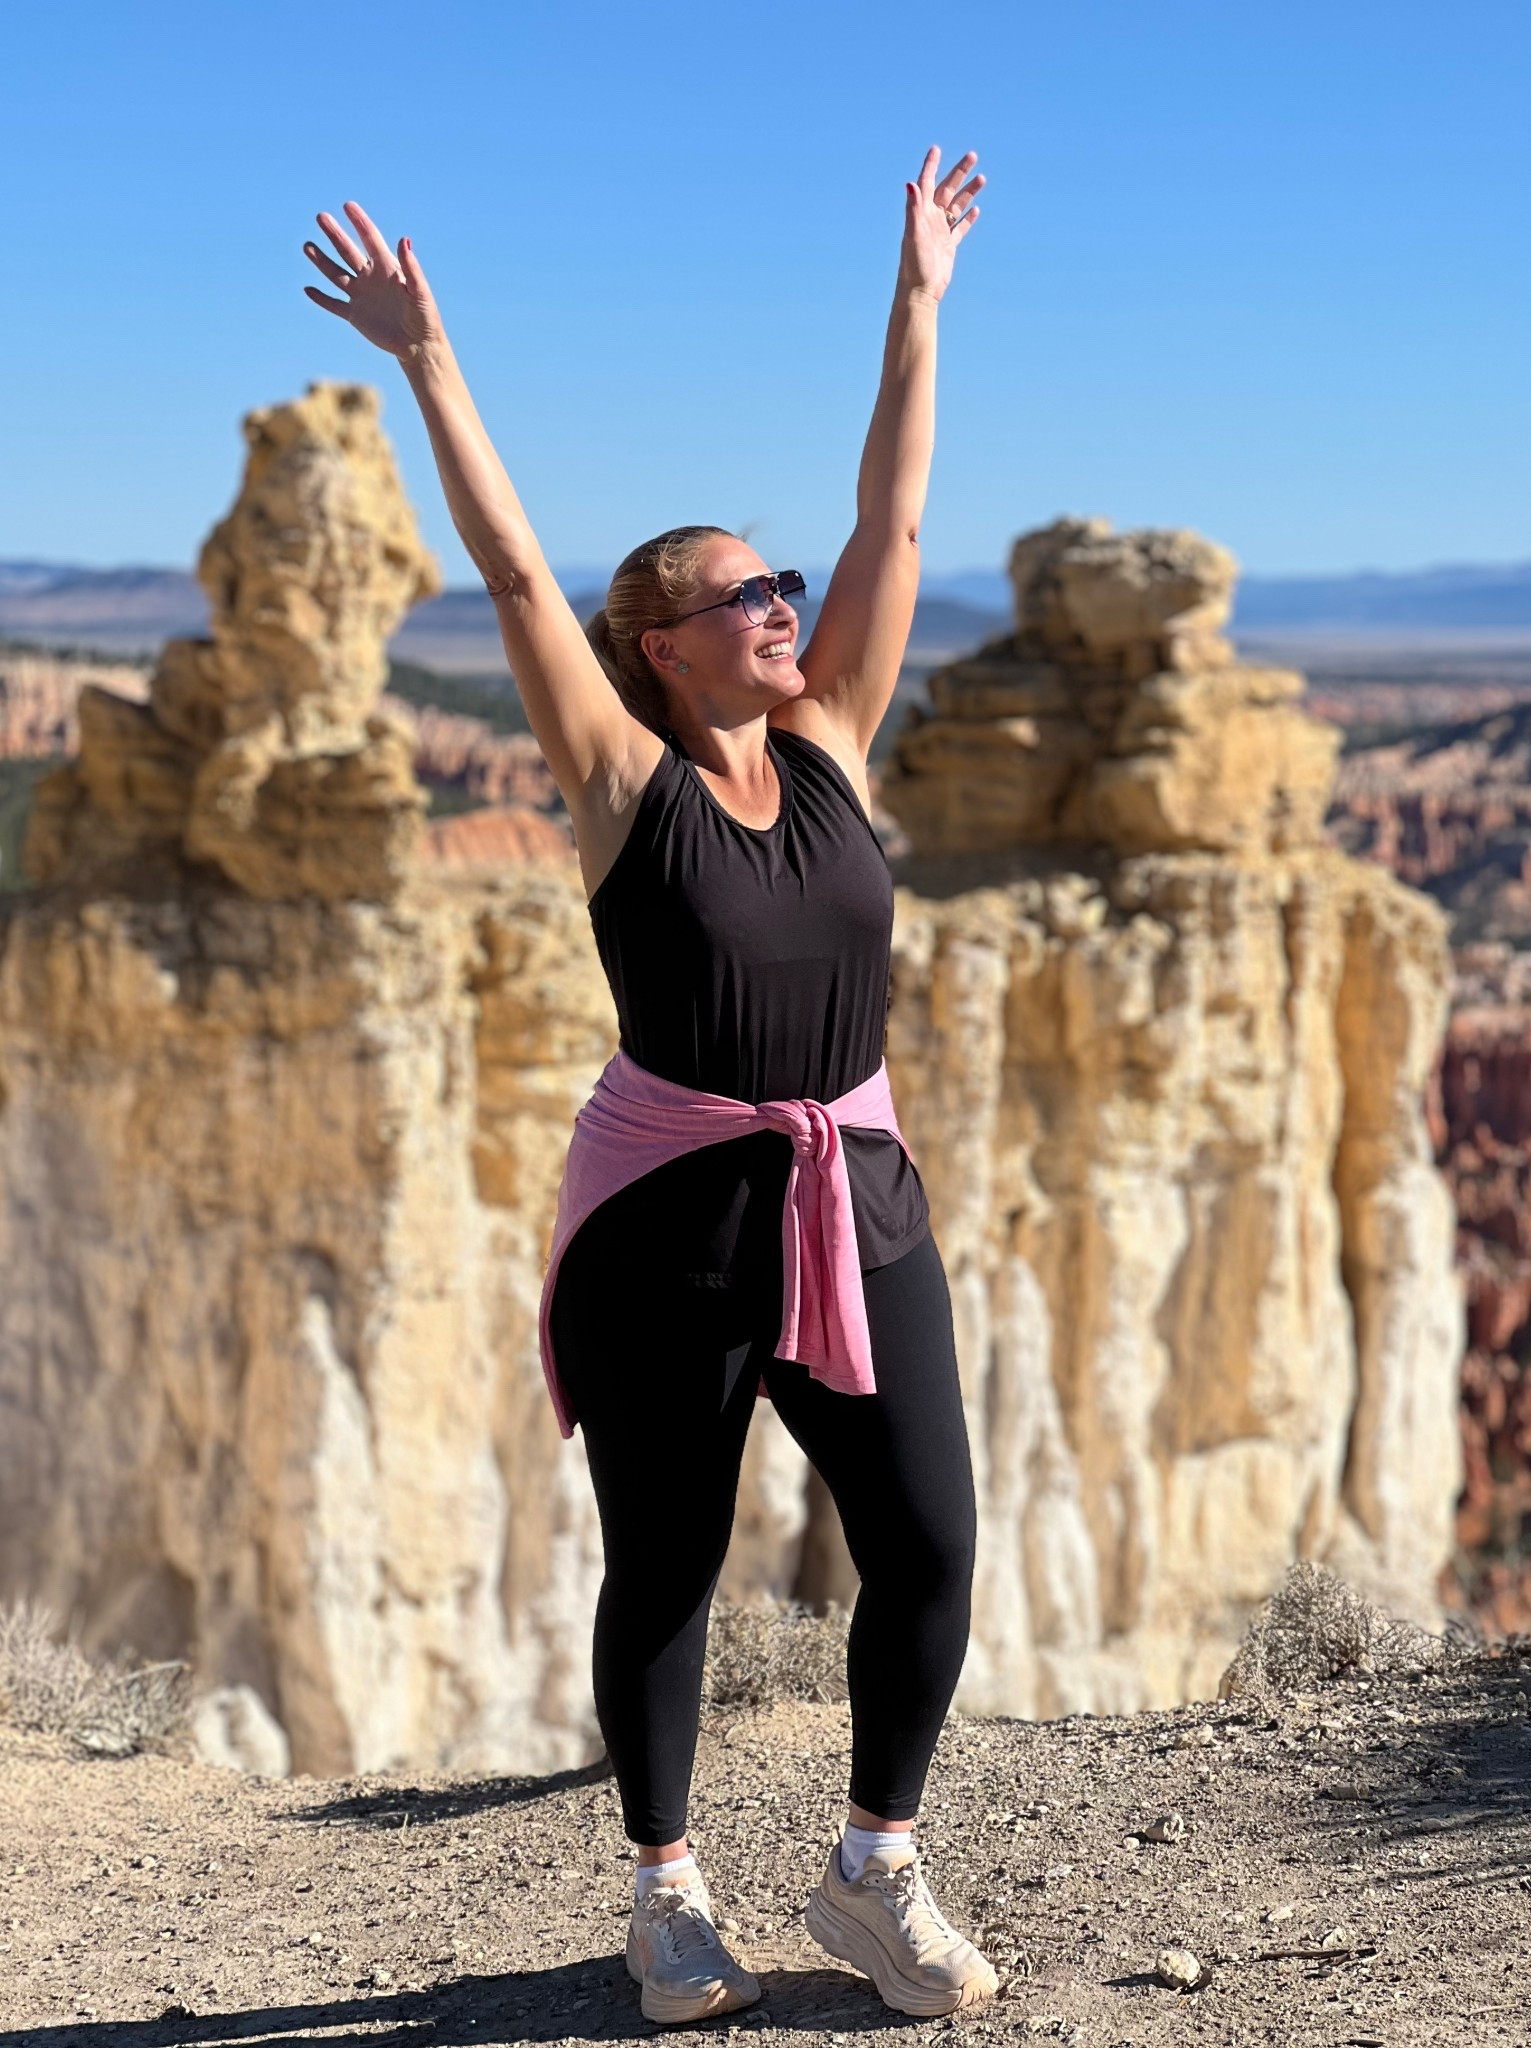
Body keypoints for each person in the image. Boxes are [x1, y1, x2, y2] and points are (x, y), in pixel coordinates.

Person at [302, 143, 996, 2027]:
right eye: (740, 593)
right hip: (672, 1221)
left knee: (931, 1538)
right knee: (669, 1567)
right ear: (660, 646)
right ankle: (668, 1892)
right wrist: (430, 358)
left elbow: (898, 520)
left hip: (851, 1188)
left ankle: (875, 1867)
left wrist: (919, 299)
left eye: (783, 583)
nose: (783, 602)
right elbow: (517, 568)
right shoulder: (626, 785)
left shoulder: (835, 733)